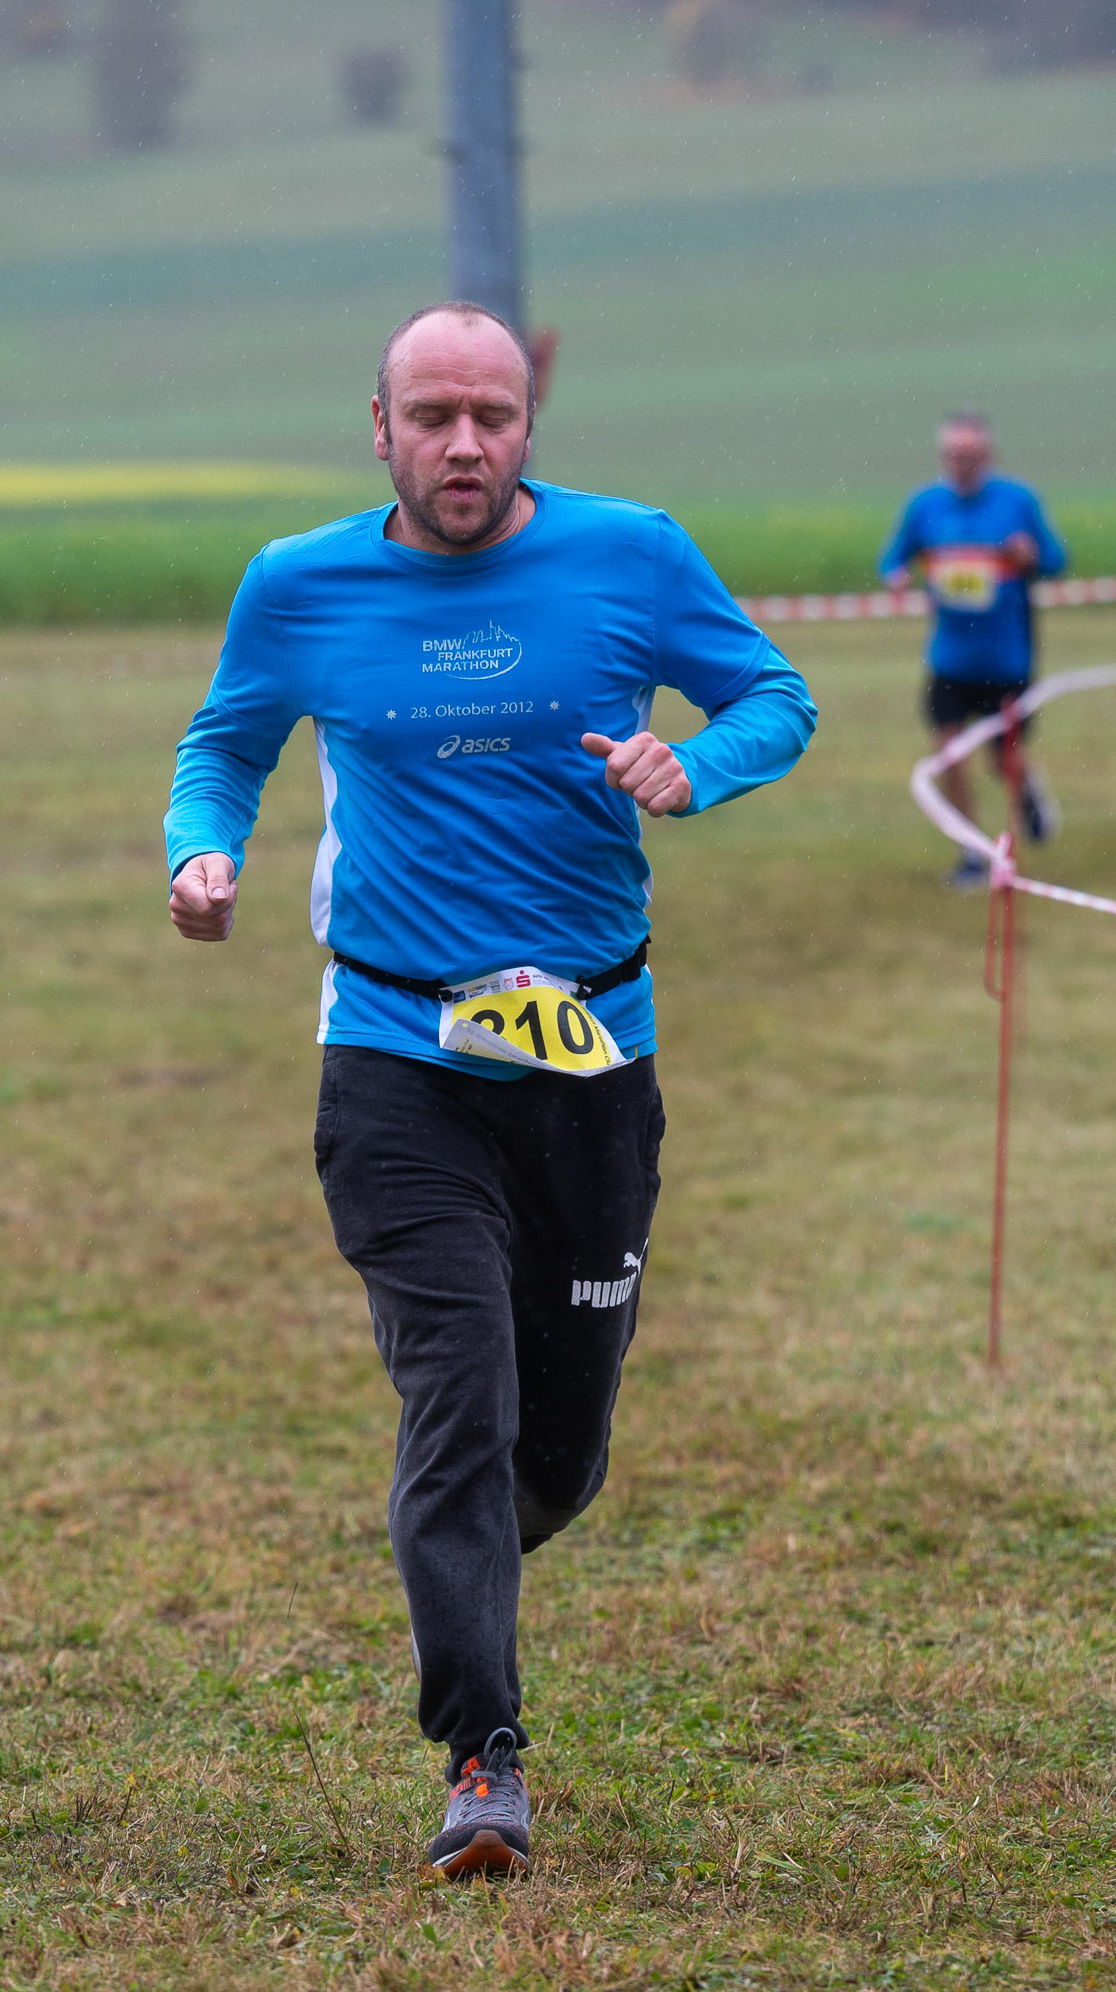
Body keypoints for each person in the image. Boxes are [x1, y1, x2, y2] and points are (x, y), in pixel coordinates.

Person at [164, 301, 816, 1880]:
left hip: (589, 1061)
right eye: (433, 416)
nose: (465, 445)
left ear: (528, 425)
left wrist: (696, 764)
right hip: (396, 1058)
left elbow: (773, 697)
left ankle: (452, 1536)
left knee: (557, 1450)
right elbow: (226, 743)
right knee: (458, 1394)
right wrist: (204, 848)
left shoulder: (630, 555)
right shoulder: (297, 581)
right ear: (378, 427)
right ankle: (481, 1757)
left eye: (494, 417)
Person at [880, 412, 1067, 888]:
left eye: (970, 455)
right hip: (949, 658)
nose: (961, 464)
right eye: (953, 456)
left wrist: (1031, 556)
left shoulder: (1018, 501)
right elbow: (893, 556)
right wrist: (895, 575)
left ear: (987, 456)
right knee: (948, 755)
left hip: (1007, 658)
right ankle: (971, 850)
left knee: (1002, 760)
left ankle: (1027, 793)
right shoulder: (924, 505)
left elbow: (1056, 560)